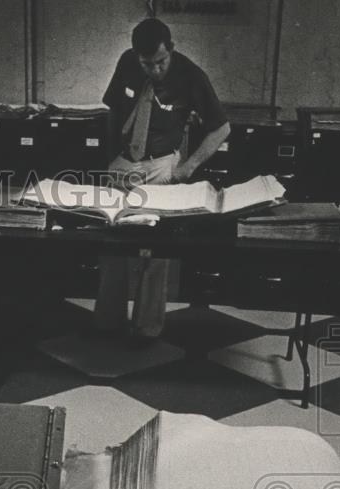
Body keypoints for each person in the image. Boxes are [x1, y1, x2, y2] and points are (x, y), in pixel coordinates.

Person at [94, 17, 230, 343]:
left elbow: (221, 128)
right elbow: (113, 109)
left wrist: (187, 168)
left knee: (153, 253)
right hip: (123, 163)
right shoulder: (128, 62)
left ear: (171, 49)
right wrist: (109, 157)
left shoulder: (191, 75)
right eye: (147, 63)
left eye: (160, 62)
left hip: (160, 167)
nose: (154, 70)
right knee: (111, 244)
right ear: (135, 55)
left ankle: (146, 329)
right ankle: (107, 323)